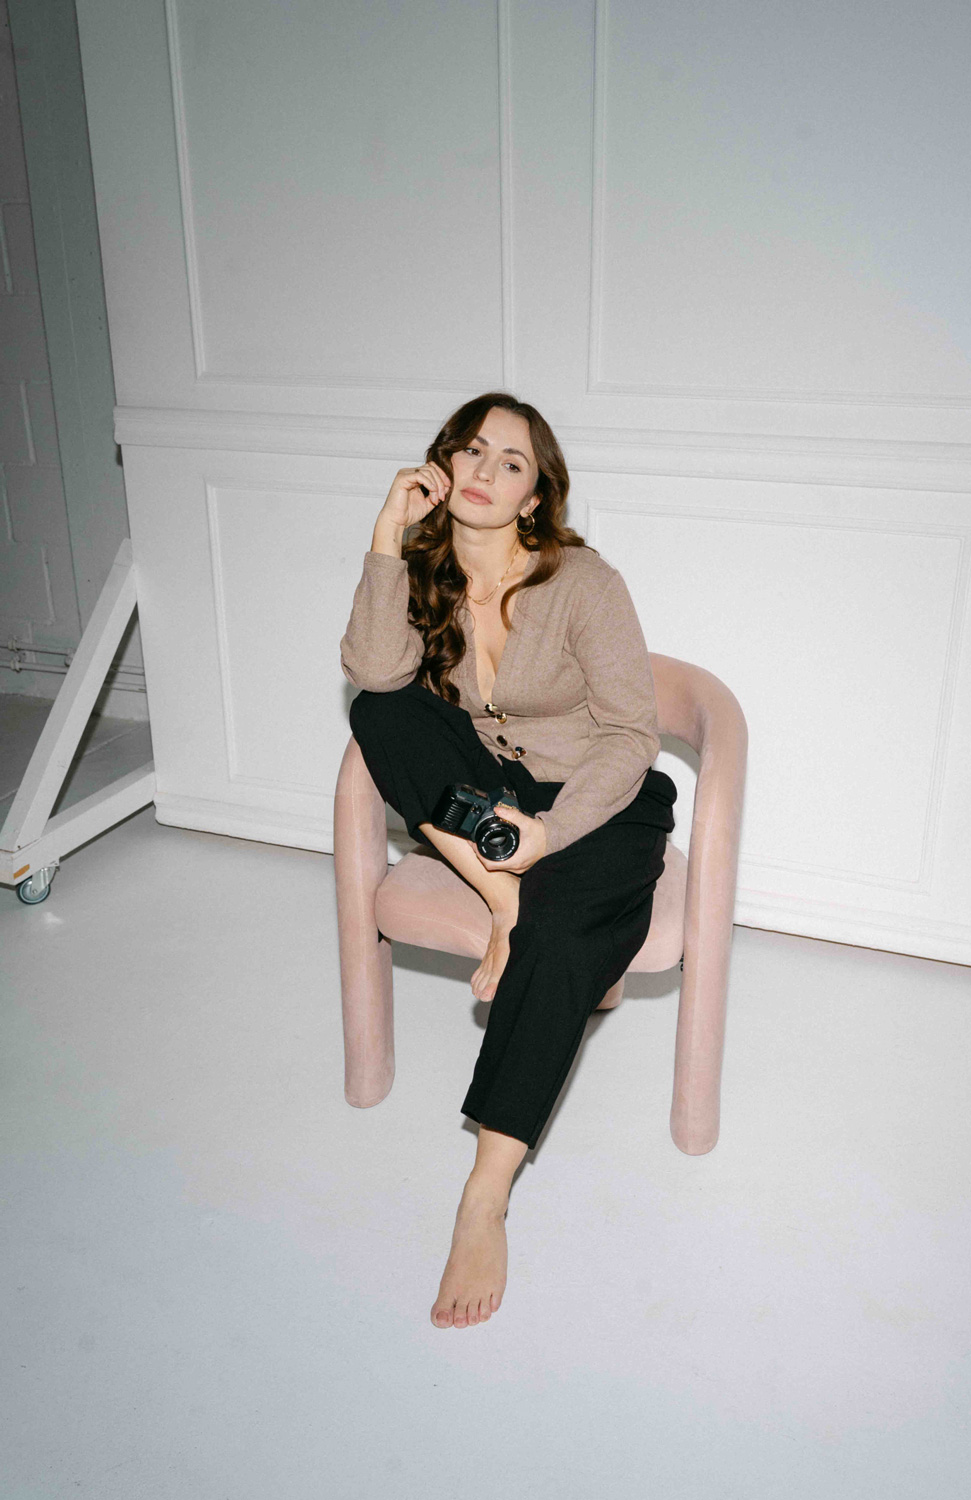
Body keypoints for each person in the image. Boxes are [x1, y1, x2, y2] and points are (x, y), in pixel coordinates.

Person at [339, 391, 677, 1329]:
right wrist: (384, 537)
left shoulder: (582, 582)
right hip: (488, 808)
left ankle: (484, 1195)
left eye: (512, 463)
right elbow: (374, 674)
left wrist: (553, 834)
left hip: (596, 806)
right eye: (471, 452)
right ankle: (501, 899)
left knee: (564, 937)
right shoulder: (424, 569)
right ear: (442, 467)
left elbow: (630, 734)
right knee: (380, 708)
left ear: (535, 495)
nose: (485, 473)